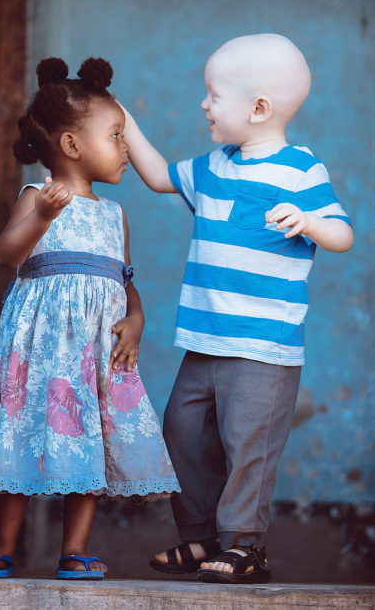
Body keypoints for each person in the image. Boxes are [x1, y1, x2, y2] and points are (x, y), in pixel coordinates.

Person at [121, 34, 353, 583]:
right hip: (203, 343)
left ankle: (246, 546)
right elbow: (157, 177)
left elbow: (341, 234)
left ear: (259, 108)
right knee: (180, 432)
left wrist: (309, 221)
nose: (204, 104)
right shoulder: (211, 168)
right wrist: (122, 116)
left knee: (247, 445)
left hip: (263, 349)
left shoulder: (300, 171)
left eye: (213, 94)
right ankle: (200, 539)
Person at [0, 57, 180, 581]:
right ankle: (1, 545)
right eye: (116, 135)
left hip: (94, 354)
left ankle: (75, 548)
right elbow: (6, 254)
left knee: (89, 448)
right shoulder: (37, 197)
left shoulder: (114, 214)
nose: (126, 148)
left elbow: (124, 280)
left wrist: (138, 319)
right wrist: (40, 218)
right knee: (19, 440)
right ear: (73, 146)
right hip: (39, 352)